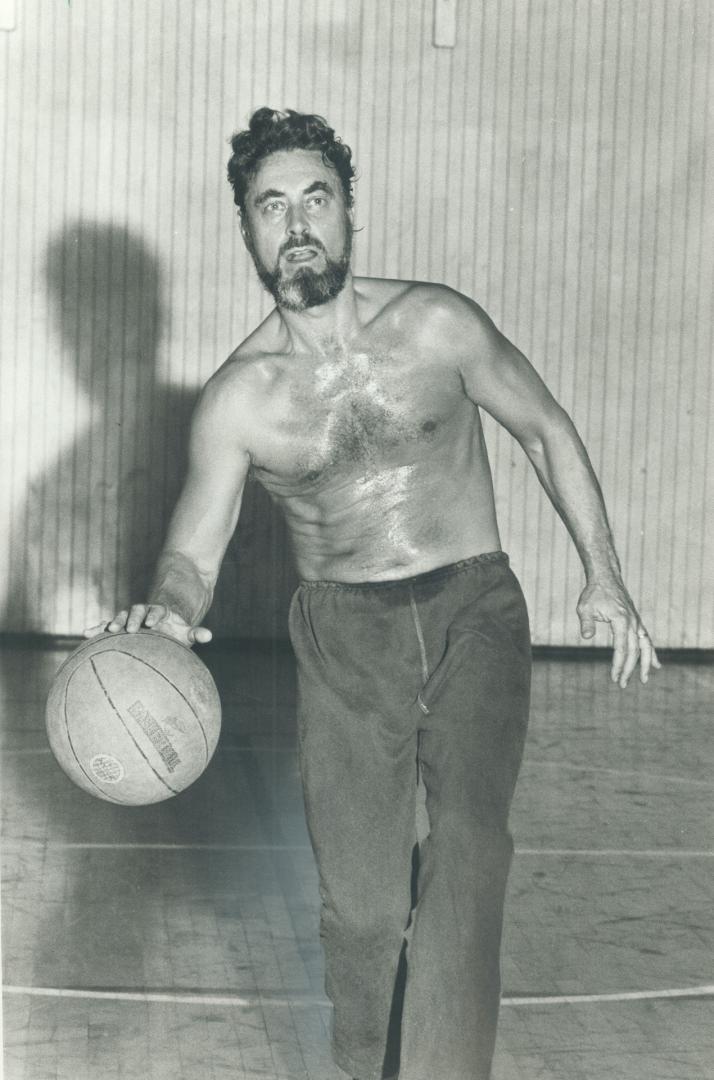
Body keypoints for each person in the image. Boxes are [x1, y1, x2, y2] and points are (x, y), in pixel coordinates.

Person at [88, 109, 660, 1080]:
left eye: (316, 197)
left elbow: (546, 429)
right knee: (360, 909)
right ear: (249, 230)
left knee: (469, 857)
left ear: (350, 211)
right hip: (344, 638)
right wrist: (167, 617)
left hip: (474, 610)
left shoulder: (437, 323)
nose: (298, 222)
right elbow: (195, 547)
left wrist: (603, 573)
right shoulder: (242, 397)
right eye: (273, 206)